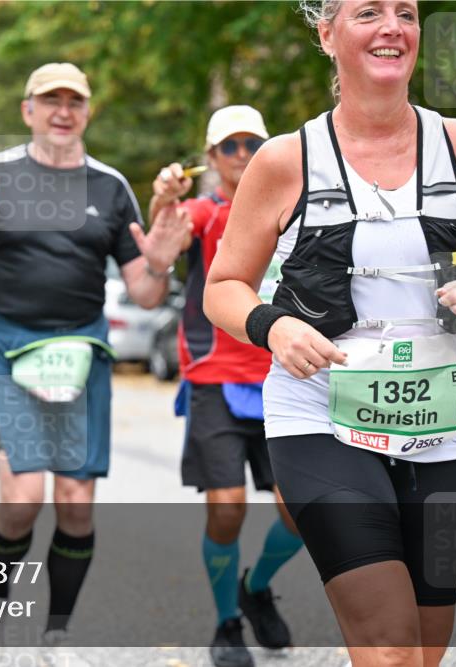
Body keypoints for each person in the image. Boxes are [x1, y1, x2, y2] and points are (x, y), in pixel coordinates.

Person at [204, 2, 456, 665]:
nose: (393, 26)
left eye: (407, 12)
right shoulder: (285, 160)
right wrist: (274, 326)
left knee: (425, 650)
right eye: (369, 12)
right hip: (319, 419)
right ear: (327, 34)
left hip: (437, 425)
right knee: (388, 645)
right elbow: (224, 286)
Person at [0, 63, 190, 664]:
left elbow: (144, 292)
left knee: (75, 501)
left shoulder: (111, 188)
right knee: (22, 499)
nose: (62, 111)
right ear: (28, 111)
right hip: (8, 348)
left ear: (88, 112)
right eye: (50, 101)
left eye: (75, 101)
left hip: (82, 351)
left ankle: (57, 634)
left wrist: (164, 261)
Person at [151, 106, 304, 667]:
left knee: (300, 513)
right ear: (211, 157)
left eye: (252, 144)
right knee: (228, 508)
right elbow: (167, 231)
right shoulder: (203, 208)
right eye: (230, 146)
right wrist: (161, 200)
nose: (242, 154)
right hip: (214, 380)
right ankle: (226, 623)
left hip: (284, 376)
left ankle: (256, 586)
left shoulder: (293, 207)